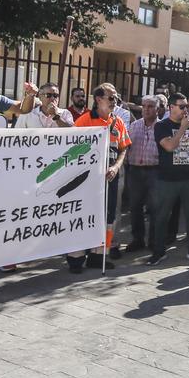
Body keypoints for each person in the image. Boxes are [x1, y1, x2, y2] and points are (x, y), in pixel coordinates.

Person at [70, 83, 131, 273]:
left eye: (116, 98)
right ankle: (76, 257)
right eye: (111, 98)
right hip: (86, 180)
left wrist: (116, 166)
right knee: (82, 216)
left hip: (110, 179)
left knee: (108, 218)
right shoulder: (84, 120)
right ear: (98, 100)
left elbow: (124, 148)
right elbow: (71, 148)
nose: (115, 102)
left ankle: (99, 255)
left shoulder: (118, 123)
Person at [149, 93, 189, 265]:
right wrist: (182, 128)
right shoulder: (162, 126)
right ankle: (159, 252)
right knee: (161, 217)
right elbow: (169, 146)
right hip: (166, 180)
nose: (185, 110)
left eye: (186, 106)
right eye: (182, 106)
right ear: (171, 107)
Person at [124, 94, 164, 253]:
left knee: (155, 208)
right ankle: (137, 239)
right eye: (144, 106)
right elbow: (126, 145)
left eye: (150, 106)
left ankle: (153, 241)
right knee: (135, 206)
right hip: (134, 170)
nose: (146, 109)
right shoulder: (134, 126)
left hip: (155, 170)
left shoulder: (163, 127)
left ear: (158, 109)